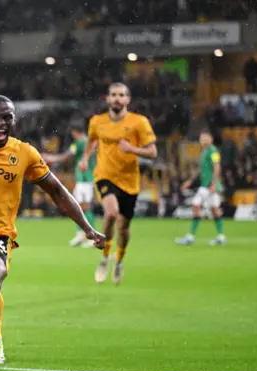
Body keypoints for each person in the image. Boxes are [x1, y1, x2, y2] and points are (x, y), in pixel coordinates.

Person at [0, 95, 106, 365]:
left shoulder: (24, 153)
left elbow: (56, 190)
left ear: (14, 120)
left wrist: (87, 228)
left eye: (7, 117)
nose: (1, 123)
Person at [79, 83, 157, 285]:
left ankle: (119, 260)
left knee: (124, 228)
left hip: (130, 181)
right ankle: (105, 257)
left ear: (127, 100)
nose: (117, 98)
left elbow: (152, 152)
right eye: (113, 95)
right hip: (105, 175)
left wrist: (132, 149)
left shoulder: (139, 122)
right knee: (111, 213)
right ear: (107, 98)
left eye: (121, 95)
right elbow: (91, 141)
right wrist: (85, 158)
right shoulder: (97, 121)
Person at [42, 122, 97, 248]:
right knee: (79, 206)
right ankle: (81, 234)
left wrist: (50, 158)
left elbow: (66, 157)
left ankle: (91, 236)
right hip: (85, 179)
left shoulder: (80, 143)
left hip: (85, 179)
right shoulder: (88, 142)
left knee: (84, 207)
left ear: (74, 132)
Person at [175, 129, 226, 246]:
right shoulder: (205, 151)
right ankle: (221, 237)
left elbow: (217, 167)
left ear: (211, 139)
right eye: (201, 139)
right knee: (215, 210)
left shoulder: (213, 151)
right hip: (207, 185)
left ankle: (190, 236)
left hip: (208, 186)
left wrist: (213, 184)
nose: (203, 140)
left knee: (195, 204)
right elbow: (200, 170)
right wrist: (190, 181)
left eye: (205, 138)